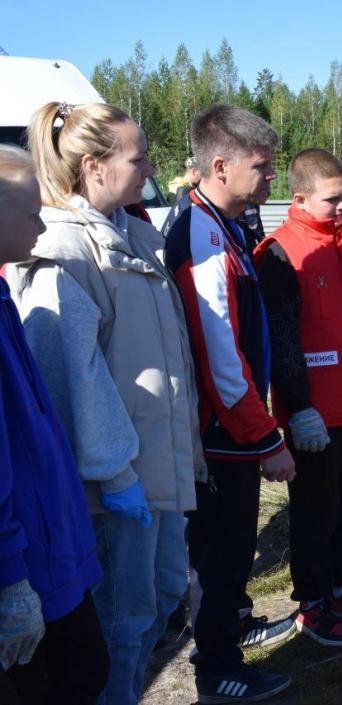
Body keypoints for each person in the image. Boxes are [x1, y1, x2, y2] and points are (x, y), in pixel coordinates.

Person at [4, 102, 204, 705]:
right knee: (122, 624)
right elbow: (66, 377)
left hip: (156, 463)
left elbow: (166, 362)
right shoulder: (62, 251)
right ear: (94, 166)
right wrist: (113, 473)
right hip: (116, 483)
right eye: (138, 157)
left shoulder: (133, 235)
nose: (149, 169)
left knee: (163, 599)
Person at [163, 105, 295, 703]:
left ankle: (230, 632)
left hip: (233, 425)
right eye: (263, 168)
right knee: (219, 551)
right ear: (220, 166)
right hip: (222, 431)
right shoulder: (201, 233)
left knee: (234, 546)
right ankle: (216, 669)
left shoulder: (225, 224)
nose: (273, 180)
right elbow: (218, 349)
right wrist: (264, 436)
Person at [254, 148, 342, 647]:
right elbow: (283, 337)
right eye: (331, 200)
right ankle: (311, 603)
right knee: (317, 508)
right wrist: (299, 408)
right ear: (299, 198)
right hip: (316, 412)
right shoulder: (279, 252)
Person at [0, 144, 108, 705]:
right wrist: (9, 576)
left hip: (48, 552)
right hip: (24, 563)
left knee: (86, 672)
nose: (42, 221)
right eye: (28, 211)